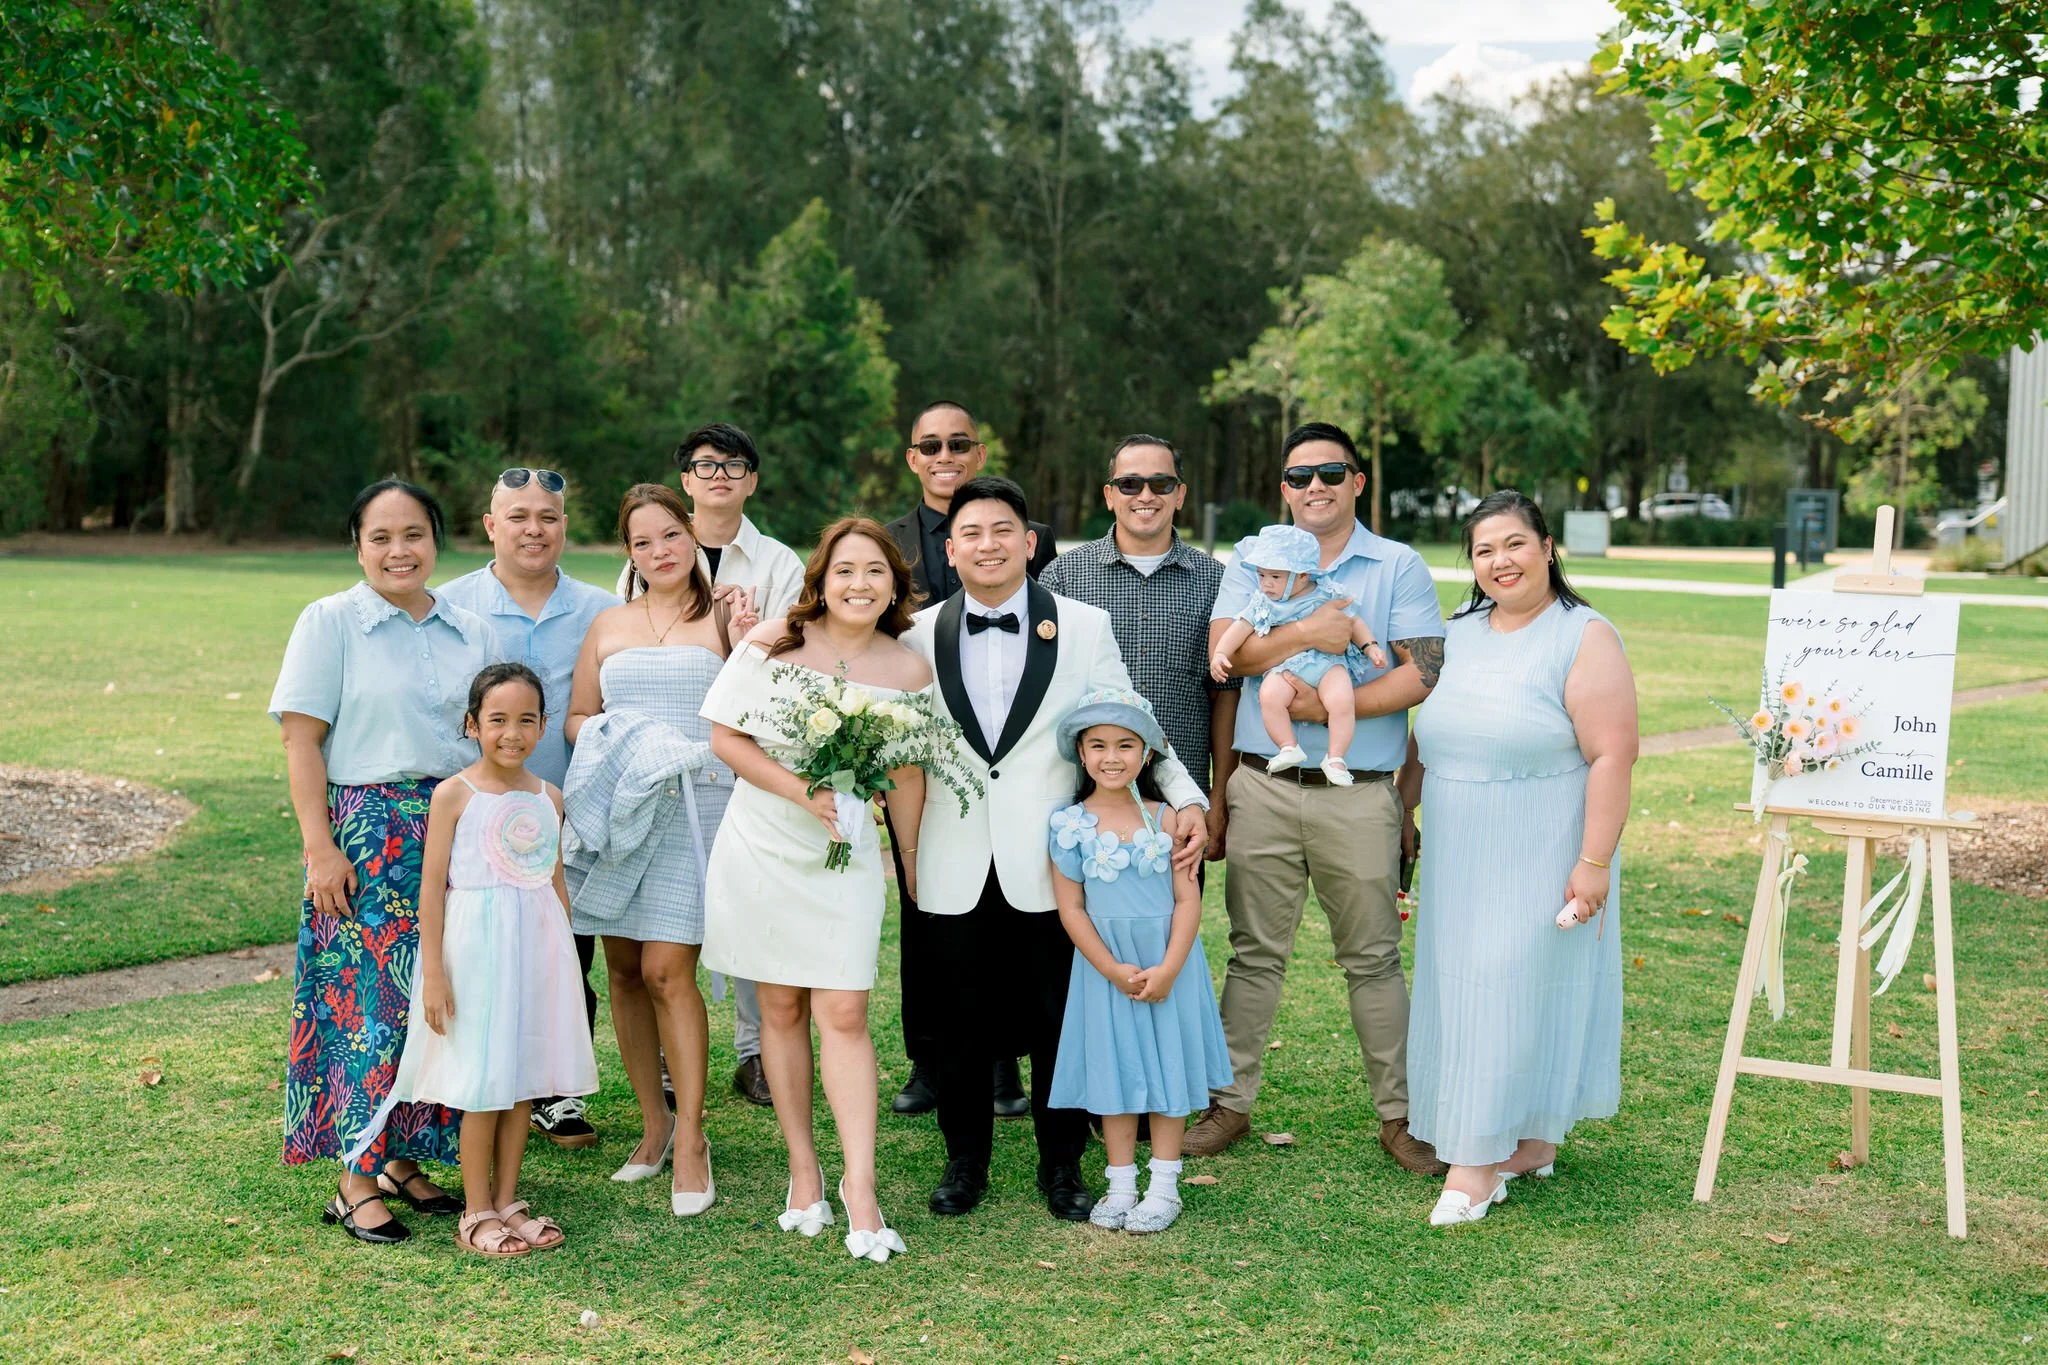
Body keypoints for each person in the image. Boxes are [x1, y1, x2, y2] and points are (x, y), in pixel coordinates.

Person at [901, 476, 1209, 1222]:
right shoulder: (914, 633)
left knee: (1056, 1018)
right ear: (951, 547)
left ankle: (1063, 1164)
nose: (988, 543)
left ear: (1030, 543)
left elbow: (1128, 715)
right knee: (960, 1021)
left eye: (1004, 529)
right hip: (953, 853)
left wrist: (1186, 792)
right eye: (971, 531)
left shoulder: (1083, 625)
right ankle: (964, 1160)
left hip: (1052, 859)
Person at [1186, 422, 1447, 1176]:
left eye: (1332, 472)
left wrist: (1320, 708)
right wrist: (1312, 630)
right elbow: (1225, 659)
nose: (1315, 487)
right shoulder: (1253, 559)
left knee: (1373, 959)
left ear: (1358, 481)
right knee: (1252, 953)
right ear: (1283, 489)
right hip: (1263, 786)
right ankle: (1229, 1104)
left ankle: (1402, 1118)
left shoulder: (1396, 565)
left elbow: (1421, 675)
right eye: (1300, 476)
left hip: (1358, 791)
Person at [272, 479, 501, 1245]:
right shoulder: (330, 621)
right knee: (368, 1009)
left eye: (414, 534)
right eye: (381, 537)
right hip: (366, 835)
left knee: (435, 1003)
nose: (399, 550)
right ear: (358, 545)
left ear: (437, 541)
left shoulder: (469, 628)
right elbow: (301, 739)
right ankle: (354, 1181)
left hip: (455, 826)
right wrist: (320, 846)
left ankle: (402, 1156)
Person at [1400, 491, 1636, 1226]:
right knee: (1463, 982)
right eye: (1482, 550)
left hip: (1541, 832)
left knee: (1505, 982)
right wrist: (1402, 810)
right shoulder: (1453, 629)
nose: (1499, 561)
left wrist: (1593, 860)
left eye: (1513, 544)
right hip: (1458, 837)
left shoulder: (1585, 634)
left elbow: (1612, 753)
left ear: (1547, 546)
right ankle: (1529, 1140)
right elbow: (1421, 721)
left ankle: (1474, 1165)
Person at [701, 518, 933, 1264]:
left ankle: (860, 1186)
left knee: (844, 1006)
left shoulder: (908, 670)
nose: (858, 583)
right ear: (820, 580)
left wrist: (911, 863)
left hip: (846, 851)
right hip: (765, 836)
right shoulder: (774, 640)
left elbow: (906, 775)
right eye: (844, 570)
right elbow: (725, 737)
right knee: (778, 1005)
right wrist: (803, 791)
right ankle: (804, 1170)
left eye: (874, 571)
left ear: (895, 585)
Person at [354, 663, 598, 1256]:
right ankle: (477, 1209)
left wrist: (567, 963)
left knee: (522, 1082)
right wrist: (433, 973)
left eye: (525, 720)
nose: (511, 733)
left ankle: (510, 1200)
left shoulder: (550, 797)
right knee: (485, 1081)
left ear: (542, 727)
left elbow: (555, 882)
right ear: (472, 724)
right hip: (476, 954)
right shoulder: (454, 794)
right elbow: (432, 888)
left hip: (537, 955)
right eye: (497, 720)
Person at [562, 484, 756, 1217]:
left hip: (698, 806)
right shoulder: (608, 624)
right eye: (642, 542)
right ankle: (653, 1124)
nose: (659, 551)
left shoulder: (725, 616)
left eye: (670, 535)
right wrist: (624, 740)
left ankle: (695, 1134)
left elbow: (754, 707)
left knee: (668, 968)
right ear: (630, 554)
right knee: (621, 968)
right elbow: (580, 715)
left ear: (692, 535)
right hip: (623, 804)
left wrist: (748, 633)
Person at [437, 466, 618, 1151]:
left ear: (565, 527)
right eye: (518, 516)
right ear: (491, 526)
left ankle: (555, 1087)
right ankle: (480, 1080)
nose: (534, 528)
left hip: (569, 810)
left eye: (548, 516)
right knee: (484, 951)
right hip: (482, 817)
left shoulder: (602, 607)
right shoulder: (452, 604)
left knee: (565, 947)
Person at [882, 400, 1049, 1120]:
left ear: (977, 453)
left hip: (1007, 760)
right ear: (913, 458)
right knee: (925, 918)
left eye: (959, 442)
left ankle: (1003, 1063)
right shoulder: (890, 543)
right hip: (923, 766)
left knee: (1010, 913)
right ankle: (930, 1059)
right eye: (930, 444)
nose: (945, 453)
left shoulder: (1020, 534)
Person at [650, 422, 807, 1111]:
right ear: (685, 478)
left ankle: (754, 1053)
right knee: (668, 900)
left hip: (750, 748)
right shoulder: (653, 547)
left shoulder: (777, 564)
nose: (718, 475)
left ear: (751, 479)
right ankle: (662, 1055)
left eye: (732, 465)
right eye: (704, 465)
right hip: (669, 746)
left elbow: (794, 660)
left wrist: (748, 636)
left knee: (752, 897)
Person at [1046, 689, 1231, 1236]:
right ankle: (1121, 1182)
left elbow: (1187, 899)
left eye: (1126, 745)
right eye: (1097, 745)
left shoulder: (1169, 818)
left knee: (1166, 1068)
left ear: (1148, 754)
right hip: (1106, 970)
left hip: (1167, 960)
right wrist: (1108, 968)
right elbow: (1071, 906)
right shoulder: (1068, 824)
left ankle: (1164, 1187)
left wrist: (1171, 967)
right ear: (1080, 754)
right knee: (1115, 1073)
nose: (1111, 757)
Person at [1040, 434, 1235, 866]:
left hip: (1178, 801)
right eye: (1130, 484)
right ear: (1110, 495)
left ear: (1180, 494)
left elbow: (1226, 694)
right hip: (1079, 795)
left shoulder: (1217, 582)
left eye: (1161, 484)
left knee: (1172, 925)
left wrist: (1217, 797)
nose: (1145, 495)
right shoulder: (1064, 578)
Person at [1211, 524, 1389, 787]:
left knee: (1342, 700)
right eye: (1261, 576)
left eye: (1275, 577)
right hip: (1286, 668)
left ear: (1303, 575)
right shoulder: (1264, 602)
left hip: (1327, 664)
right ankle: (1287, 746)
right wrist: (1221, 653)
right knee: (1269, 696)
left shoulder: (1326, 594)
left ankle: (1336, 757)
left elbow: (1353, 622)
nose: (1266, 584)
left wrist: (1370, 646)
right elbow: (1240, 626)